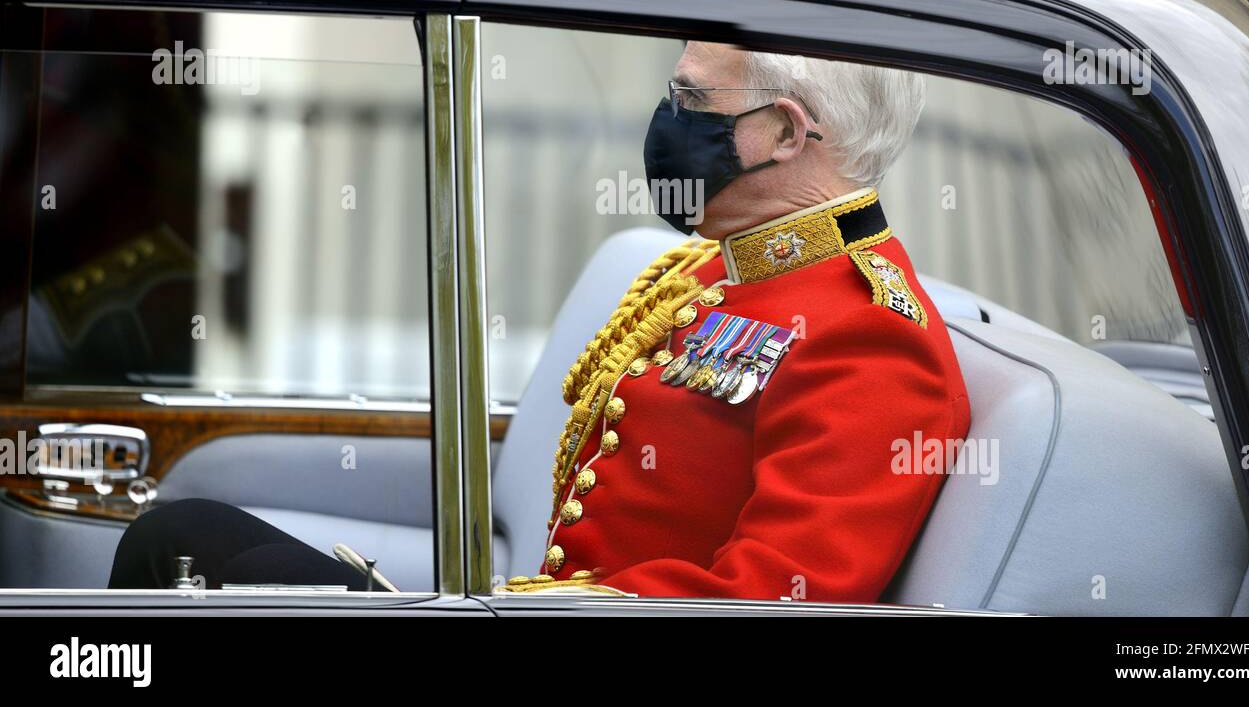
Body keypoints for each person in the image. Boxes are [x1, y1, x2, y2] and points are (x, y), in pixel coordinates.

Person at [109, 42, 971, 604]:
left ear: (782, 132)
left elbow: (768, 602)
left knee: (188, 552)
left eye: (691, 99)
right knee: (183, 546)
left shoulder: (871, 337)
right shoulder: (730, 265)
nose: (670, 119)